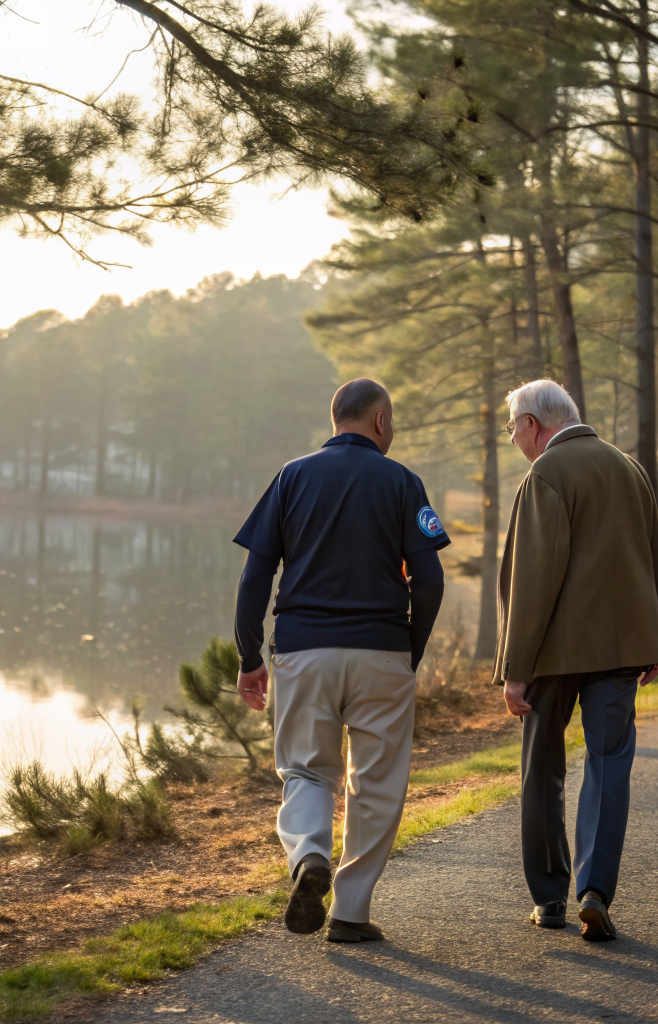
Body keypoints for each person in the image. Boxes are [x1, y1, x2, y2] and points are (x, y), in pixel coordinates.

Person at [232, 378, 449, 943]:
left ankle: (309, 855)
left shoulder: (292, 476)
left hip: (304, 650)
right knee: (376, 784)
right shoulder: (403, 482)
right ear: (380, 421)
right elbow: (429, 580)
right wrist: (410, 650)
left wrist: (250, 656)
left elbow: (256, 575)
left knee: (307, 770)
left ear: (336, 419)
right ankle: (350, 913)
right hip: (382, 651)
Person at [495, 379, 658, 941]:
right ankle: (595, 891)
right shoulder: (630, 469)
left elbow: (533, 579)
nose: (513, 439)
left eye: (512, 428)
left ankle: (549, 898)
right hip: (622, 649)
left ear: (531, 424)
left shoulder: (546, 474)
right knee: (608, 762)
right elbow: (656, 557)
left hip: (554, 652)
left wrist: (515, 668)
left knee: (543, 768)